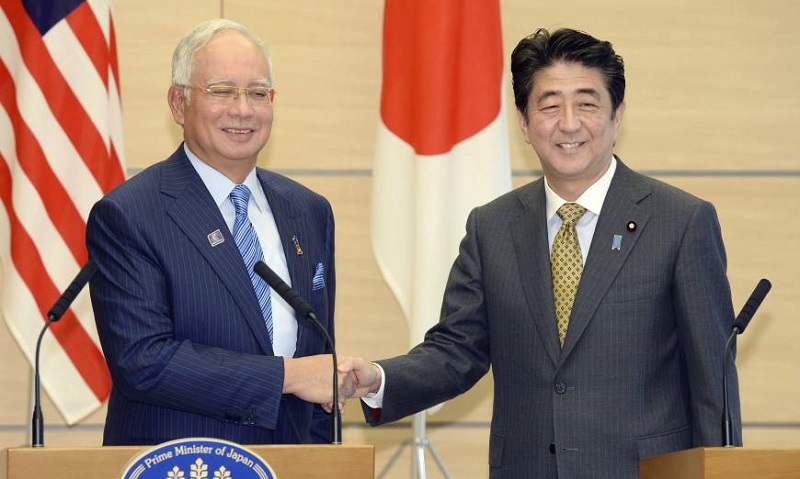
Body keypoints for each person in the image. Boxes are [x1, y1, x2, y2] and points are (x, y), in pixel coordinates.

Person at [341, 28, 742, 478]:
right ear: (524, 123)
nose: (568, 123)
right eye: (549, 105)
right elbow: (456, 351)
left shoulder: (680, 222)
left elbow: (713, 382)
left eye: (587, 104)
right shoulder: (491, 227)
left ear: (618, 115)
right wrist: (378, 379)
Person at [87, 19, 340, 446]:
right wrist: (288, 376)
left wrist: (323, 463)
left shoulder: (309, 211)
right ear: (178, 103)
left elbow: (319, 366)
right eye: (221, 91)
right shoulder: (129, 214)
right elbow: (144, 362)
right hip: (176, 463)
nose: (243, 109)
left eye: (258, 93)